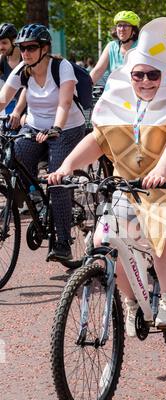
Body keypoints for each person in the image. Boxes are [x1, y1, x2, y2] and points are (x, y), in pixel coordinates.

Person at [48, 17, 166, 336]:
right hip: (134, 181)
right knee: (103, 240)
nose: (146, 81)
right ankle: (133, 301)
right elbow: (99, 139)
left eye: (153, 75)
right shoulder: (120, 97)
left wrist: (162, 170)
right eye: (139, 74)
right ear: (130, 74)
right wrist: (66, 166)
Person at [0, 23, 86, 261]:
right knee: (13, 160)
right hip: (35, 127)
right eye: (22, 48)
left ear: (44, 48)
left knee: (57, 180)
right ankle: (37, 202)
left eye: (31, 48)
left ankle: (62, 241)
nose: (26, 52)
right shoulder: (22, 69)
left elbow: (65, 103)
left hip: (66, 128)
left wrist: (56, 128)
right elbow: (2, 98)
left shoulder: (62, 67)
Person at [90, 10, 140, 85]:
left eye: (126, 25)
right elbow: (98, 70)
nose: (122, 29)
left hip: (137, 90)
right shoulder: (111, 46)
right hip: (115, 91)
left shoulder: (141, 45)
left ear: (134, 30)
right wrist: (83, 88)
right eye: (119, 25)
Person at [0, 22, 22, 114]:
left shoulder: (27, 58)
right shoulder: (2, 59)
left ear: (14, 41)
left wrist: (18, 111)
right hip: (12, 106)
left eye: (4, 43)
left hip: (33, 109)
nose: (1, 47)